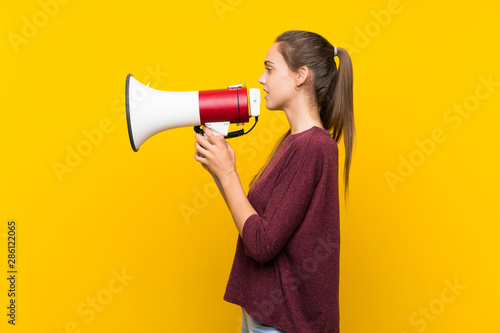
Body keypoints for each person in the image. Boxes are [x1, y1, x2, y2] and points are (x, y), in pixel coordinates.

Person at [194, 30, 355, 333]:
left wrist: (229, 174)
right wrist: (220, 170)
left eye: (269, 68)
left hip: (286, 324)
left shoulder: (313, 147)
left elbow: (262, 243)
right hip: (268, 316)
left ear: (300, 76)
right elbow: (256, 220)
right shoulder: (295, 142)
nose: (260, 79)